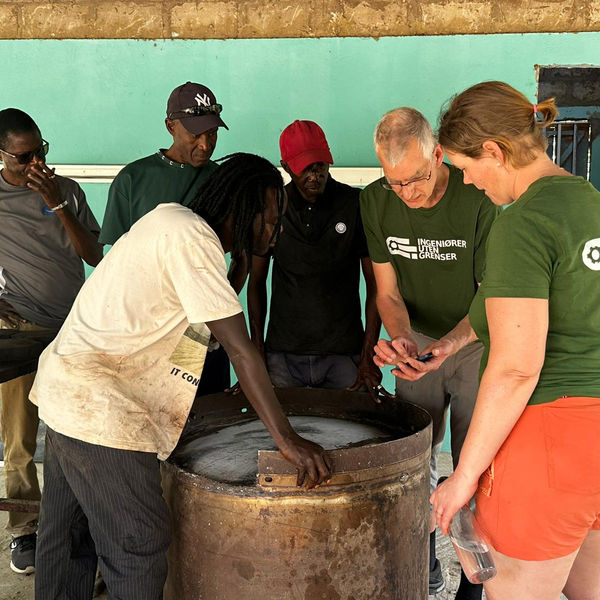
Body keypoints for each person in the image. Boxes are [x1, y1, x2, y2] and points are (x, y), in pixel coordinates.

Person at [30, 153, 332, 599]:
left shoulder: (172, 221)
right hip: (102, 411)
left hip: (66, 395)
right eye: (270, 218)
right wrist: (286, 440)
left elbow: (191, 332)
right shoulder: (193, 238)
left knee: (70, 537)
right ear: (241, 209)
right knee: (140, 543)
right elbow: (239, 349)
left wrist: (243, 264)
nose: (277, 230)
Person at [431, 81, 600, 600]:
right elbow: (501, 312)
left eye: (464, 168)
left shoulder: (522, 222)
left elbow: (516, 367)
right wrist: (446, 348)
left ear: (494, 152)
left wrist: (462, 478)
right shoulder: (590, 203)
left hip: (548, 440)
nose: (467, 182)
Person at [360, 107, 497, 597]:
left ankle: (472, 583)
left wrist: (448, 344)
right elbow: (387, 292)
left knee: (473, 464)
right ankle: (423, 559)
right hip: (417, 343)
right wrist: (401, 338)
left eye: (415, 178)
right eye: (394, 183)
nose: (407, 193)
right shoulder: (375, 203)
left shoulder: (477, 196)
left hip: (474, 342)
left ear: (438, 154)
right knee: (415, 457)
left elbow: (489, 294)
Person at [0, 108, 102, 575]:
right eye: (24, 157)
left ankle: (77, 527)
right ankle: (25, 529)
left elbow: (94, 254)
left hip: (72, 330)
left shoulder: (68, 191)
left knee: (79, 435)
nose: (36, 162)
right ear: (1, 156)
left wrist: (58, 202)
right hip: (19, 328)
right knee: (20, 438)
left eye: (41, 150)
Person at [100, 81, 235, 394]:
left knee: (205, 419)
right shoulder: (133, 179)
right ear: (170, 126)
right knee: (156, 415)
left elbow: (241, 256)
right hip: (149, 333)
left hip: (201, 330)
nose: (205, 144)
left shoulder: (222, 180)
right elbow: (112, 265)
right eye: (195, 134)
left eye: (212, 133)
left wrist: (217, 315)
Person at [247, 120, 381, 396]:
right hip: (282, 355)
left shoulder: (355, 203)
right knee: (281, 436)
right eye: (305, 167)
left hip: (345, 355)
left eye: (320, 165)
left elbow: (376, 285)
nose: (314, 175)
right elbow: (256, 282)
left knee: (353, 437)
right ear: (286, 167)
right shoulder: (271, 206)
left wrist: (368, 355)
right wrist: (257, 353)